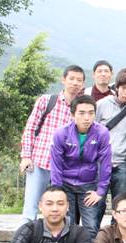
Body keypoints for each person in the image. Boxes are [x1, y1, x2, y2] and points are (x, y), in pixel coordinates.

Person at [20, 65, 85, 223]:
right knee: (30, 209)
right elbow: (30, 128)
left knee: (63, 210)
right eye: (71, 79)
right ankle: (24, 238)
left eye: (79, 80)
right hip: (40, 163)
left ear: (83, 84)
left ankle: (61, 239)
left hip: (65, 167)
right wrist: (26, 156)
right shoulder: (47, 101)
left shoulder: (81, 109)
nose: (75, 83)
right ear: (63, 80)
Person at [50, 95, 112, 240]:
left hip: (88, 184)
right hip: (65, 184)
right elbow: (56, 164)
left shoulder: (102, 133)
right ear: (73, 115)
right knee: (67, 225)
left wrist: (100, 191)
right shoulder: (61, 134)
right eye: (82, 113)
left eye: (91, 113)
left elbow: (106, 163)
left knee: (91, 227)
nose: (87, 118)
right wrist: (58, 191)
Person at [96, 68, 126, 202]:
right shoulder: (102, 104)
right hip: (100, 162)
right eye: (124, 88)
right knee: (97, 204)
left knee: (120, 203)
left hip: (122, 163)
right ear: (117, 88)